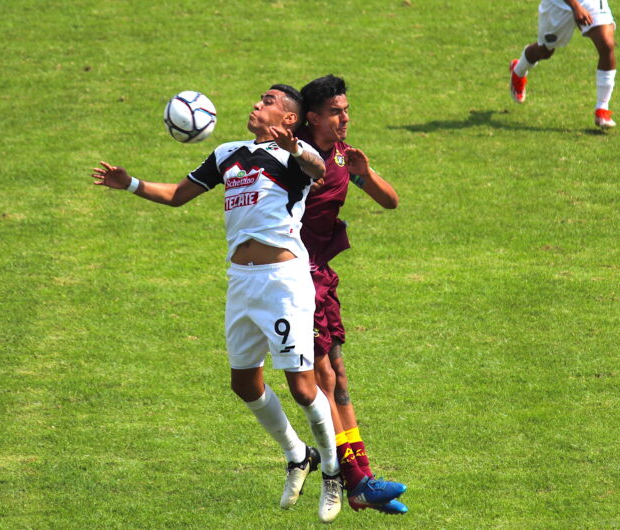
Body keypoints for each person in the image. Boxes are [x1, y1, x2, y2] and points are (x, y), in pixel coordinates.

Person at [91, 84, 403, 524]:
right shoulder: (227, 154)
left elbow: (316, 168)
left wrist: (300, 150)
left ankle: (338, 474)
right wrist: (130, 184)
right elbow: (178, 195)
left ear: (291, 119)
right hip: (241, 281)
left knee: (307, 386)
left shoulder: (296, 158)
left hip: (285, 281)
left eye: (268, 101)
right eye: (260, 99)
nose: (257, 104)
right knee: (244, 383)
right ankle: (299, 455)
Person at [297, 75, 407, 516]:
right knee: (323, 376)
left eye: (346, 110)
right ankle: (353, 478)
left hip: (321, 276)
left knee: (339, 377)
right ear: (312, 118)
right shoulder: (294, 157)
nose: (345, 118)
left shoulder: (344, 155)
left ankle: (361, 476)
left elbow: (390, 201)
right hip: (291, 277)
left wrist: (365, 173)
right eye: (335, 113)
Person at [508, 0, 620, 129]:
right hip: (557, 4)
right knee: (544, 51)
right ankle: (518, 70)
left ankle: (602, 109)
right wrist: (575, 6)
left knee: (606, 45)